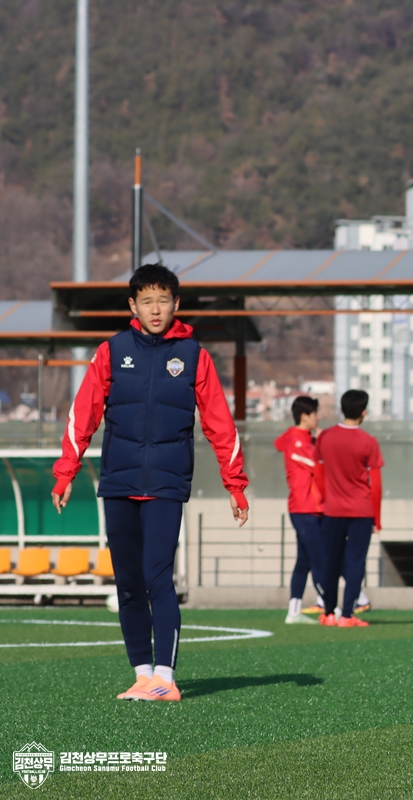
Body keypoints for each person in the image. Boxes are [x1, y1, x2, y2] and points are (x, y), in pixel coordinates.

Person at [51, 264, 249, 702]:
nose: (155, 309)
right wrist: (66, 472)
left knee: (158, 576)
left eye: (163, 300)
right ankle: (142, 674)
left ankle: (165, 677)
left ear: (176, 304)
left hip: (166, 483)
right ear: (133, 306)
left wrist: (234, 484)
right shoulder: (111, 351)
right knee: (127, 583)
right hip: (118, 482)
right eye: (146, 301)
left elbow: (220, 423)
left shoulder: (195, 355)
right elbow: (83, 414)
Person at [315, 389, 383, 628]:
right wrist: (377, 518)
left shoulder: (325, 437)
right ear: (364, 412)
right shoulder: (368, 441)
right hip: (361, 511)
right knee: (355, 562)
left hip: (332, 510)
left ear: (342, 409)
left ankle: (328, 613)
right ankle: (347, 615)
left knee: (331, 561)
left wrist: (325, 500)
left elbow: (318, 475)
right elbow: (376, 485)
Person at [276, 396, 325, 624]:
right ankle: (330, 607)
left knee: (304, 560)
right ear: (305, 416)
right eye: (315, 414)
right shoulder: (297, 441)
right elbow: (319, 465)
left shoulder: (304, 439)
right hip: (305, 508)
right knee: (320, 558)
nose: (318, 418)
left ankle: (294, 610)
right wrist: (323, 442)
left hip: (311, 507)